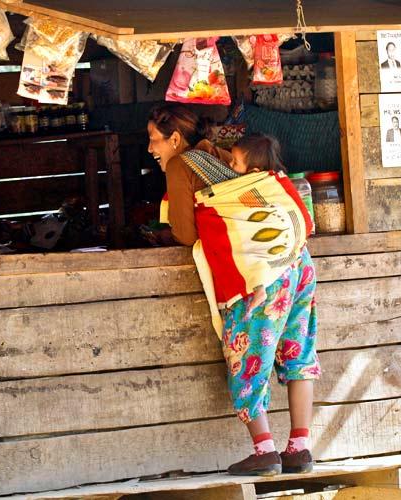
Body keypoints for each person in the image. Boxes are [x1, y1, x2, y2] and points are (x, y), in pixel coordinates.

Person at [148, 103, 320, 476]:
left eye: (153, 140)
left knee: (248, 357)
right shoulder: (221, 154)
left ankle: (265, 451)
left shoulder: (181, 164)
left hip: (257, 276)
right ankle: (300, 447)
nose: (150, 149)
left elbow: (186, 233)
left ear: (175, 139)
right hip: (296, 264)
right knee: (298, 350)